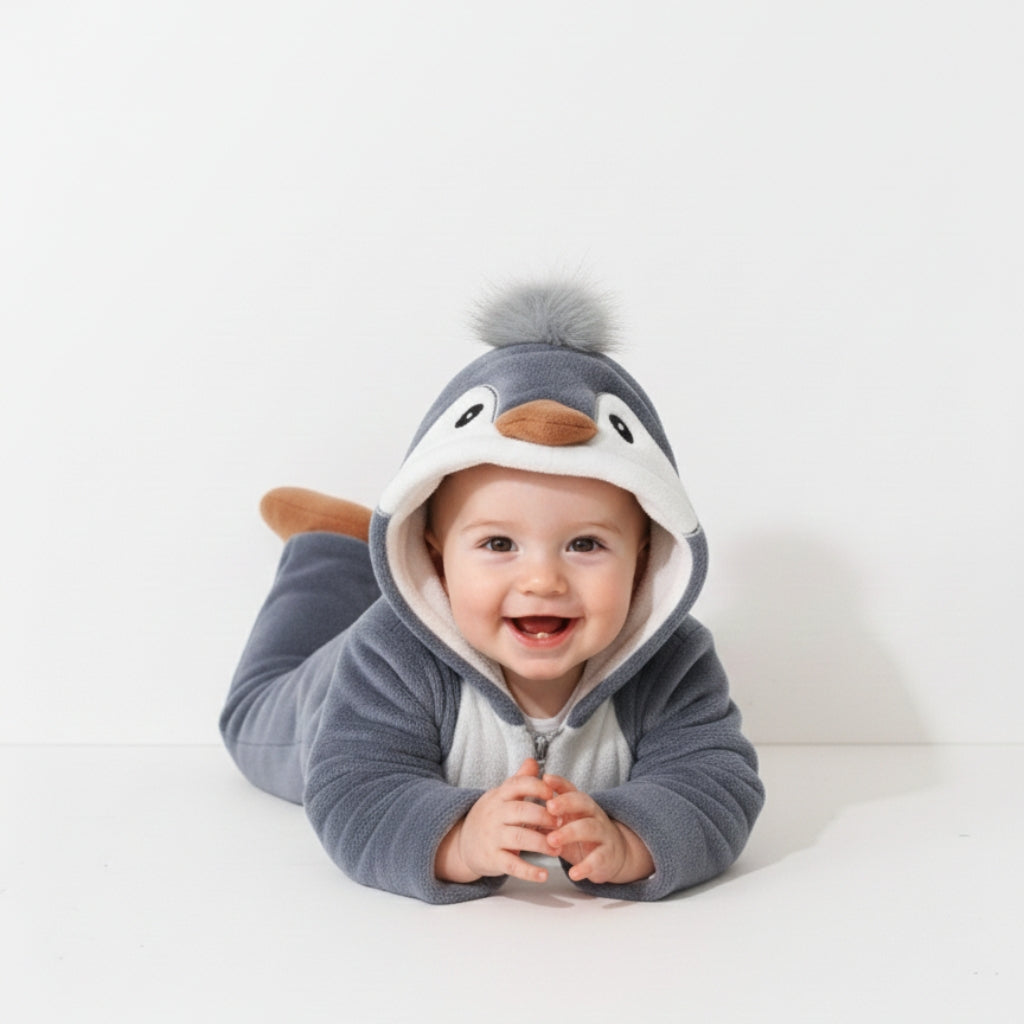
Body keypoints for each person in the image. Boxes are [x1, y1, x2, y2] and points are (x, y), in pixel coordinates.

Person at [220, 282, 764, 904]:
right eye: (500, 543)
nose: (543, 581)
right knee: (249, 713)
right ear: (433, 557)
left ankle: (379, 550)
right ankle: (328, 550)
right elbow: (354, 789)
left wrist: (631, 839)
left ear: (645, 558)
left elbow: (716, 781)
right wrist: (458, 839)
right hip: (317, 703)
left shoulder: (674, 660)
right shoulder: (390, 653)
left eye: (585, 544)